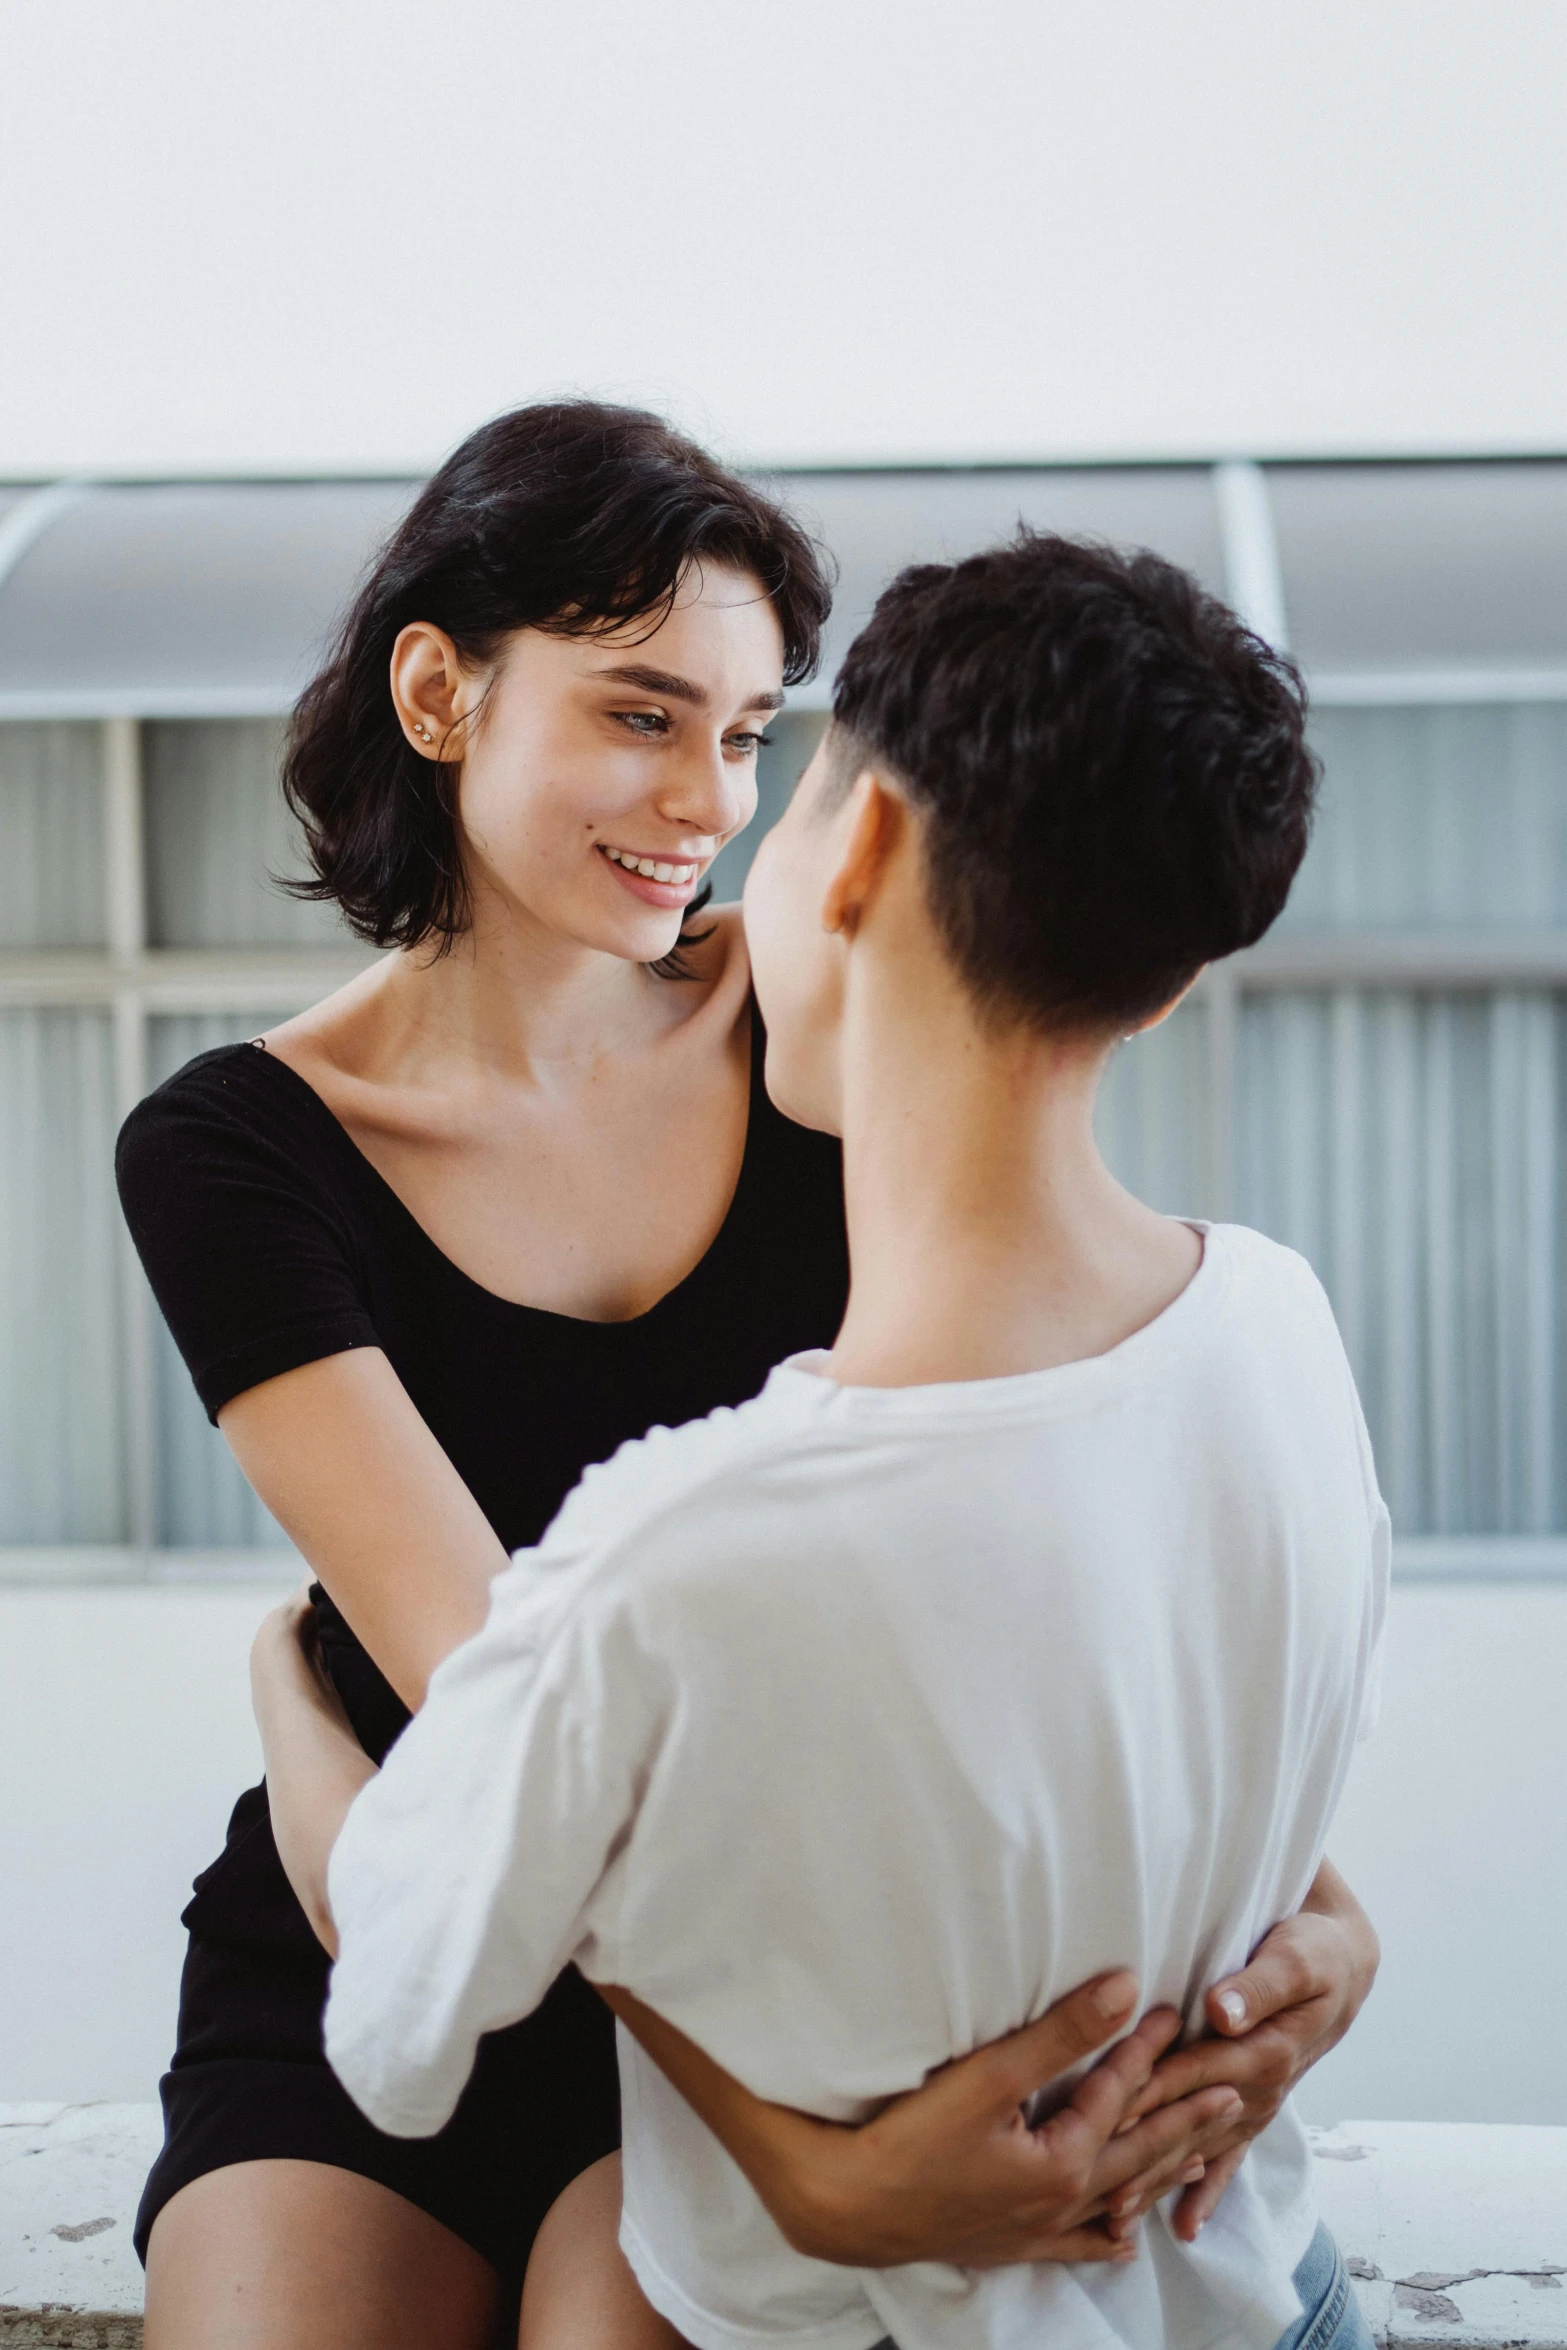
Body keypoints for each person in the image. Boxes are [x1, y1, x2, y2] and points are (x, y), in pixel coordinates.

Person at [118, 403, 1377, 2350]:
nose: (709, 795)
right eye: (641, 713)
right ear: (441, 691)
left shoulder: (835, 1010)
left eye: (747, 729)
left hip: (819, 1961)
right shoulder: (236, 1148)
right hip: (417, 1888)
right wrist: (805, 2168)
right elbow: (495, 1728)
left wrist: (1302, 1896)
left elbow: (1043, 1481)